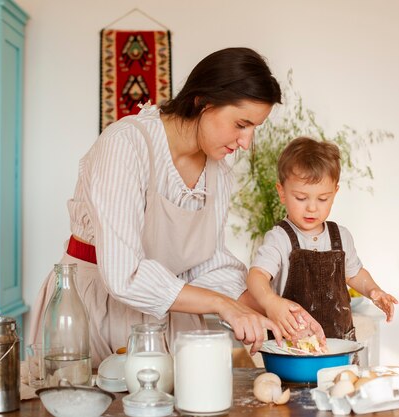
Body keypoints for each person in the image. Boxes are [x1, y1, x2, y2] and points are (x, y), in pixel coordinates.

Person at [28, 47, 319, 366]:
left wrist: (271, 306)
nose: (246, 142)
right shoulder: (126, 145)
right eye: (241, 124)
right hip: (90, 311)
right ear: (203, 101)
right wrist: (223, 305)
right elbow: (125, 275)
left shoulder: (218, 168)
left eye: (254, 129)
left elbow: (205, 261)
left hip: (164, 317)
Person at [247, 137, 398, 345]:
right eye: (301, 198)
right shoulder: (280, 238)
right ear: (282, 192)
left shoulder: (341, 236)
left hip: (340, 344)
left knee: (343, 378)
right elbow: (257, 276)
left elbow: (355, 274)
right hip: (295, 345)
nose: (312, 208)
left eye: (322, 199)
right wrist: (270, 302)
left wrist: (373, 290)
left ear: (335, 192)